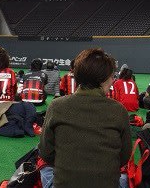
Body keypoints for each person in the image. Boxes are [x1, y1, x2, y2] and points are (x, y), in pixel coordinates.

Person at [38, 48, 131, 188]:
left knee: (44, 169)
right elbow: (124, 157)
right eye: (112, 76)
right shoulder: (118, 110)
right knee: (124, 178)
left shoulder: (56, 106)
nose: (113, 81)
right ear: (102, 79)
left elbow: (46, 153)